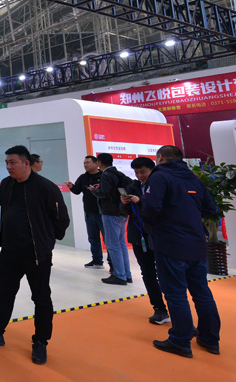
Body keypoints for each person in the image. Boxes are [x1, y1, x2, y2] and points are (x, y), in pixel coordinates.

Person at [0, 145, 69, 365]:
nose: (8, 166)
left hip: (36, 254)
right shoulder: (6, 184)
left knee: (41, 298)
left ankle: (40, 341)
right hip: (10, 251)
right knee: (5, 292)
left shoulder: (46, 187)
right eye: (6, 162)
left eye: (12, 162)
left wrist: (46, 242)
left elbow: (61, 219)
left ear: (26, 163)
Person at [141, 145, 220, 358]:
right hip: (196, 243)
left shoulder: (159, 177)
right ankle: (210, 339)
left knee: (175, 293)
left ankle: (180, 340)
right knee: (201, 292)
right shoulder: (194, 178)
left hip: (170, 244)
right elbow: (210, 208)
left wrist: (153, 226)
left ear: (159, 158)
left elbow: (151, 208)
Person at [121, 157, 169, 325]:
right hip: (139, 236)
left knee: (166, 273)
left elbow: (161, 208)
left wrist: (141, 201)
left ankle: (176, 309)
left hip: (161, 236)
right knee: (148, 273)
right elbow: (126, 212)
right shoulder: (132, 187)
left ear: (152, 170)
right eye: (137, 172)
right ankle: (159, 309)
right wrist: (125, 203)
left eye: (143, 172)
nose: (140, 175)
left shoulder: (160, 185)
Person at [92, 153, 132, 285]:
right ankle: (126, 274)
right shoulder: (119, 174)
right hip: (121, 212)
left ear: (99, 162)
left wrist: (94, 190)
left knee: (113, 245)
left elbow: (104, 193)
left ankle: (119, 275)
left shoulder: (106, 175)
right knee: (121, 244)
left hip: (110, 213)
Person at [65, 156, 108, 269]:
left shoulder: (103, 176)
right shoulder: (83, 177)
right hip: (89, 211)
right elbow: (77, 191)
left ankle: (113, 263)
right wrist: (71, 187)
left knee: (107, 239)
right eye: (84, 163)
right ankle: (97, 261)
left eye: (88, 162)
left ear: (96, 164)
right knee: (93, 238)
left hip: (103, 212)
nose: (85, 165)